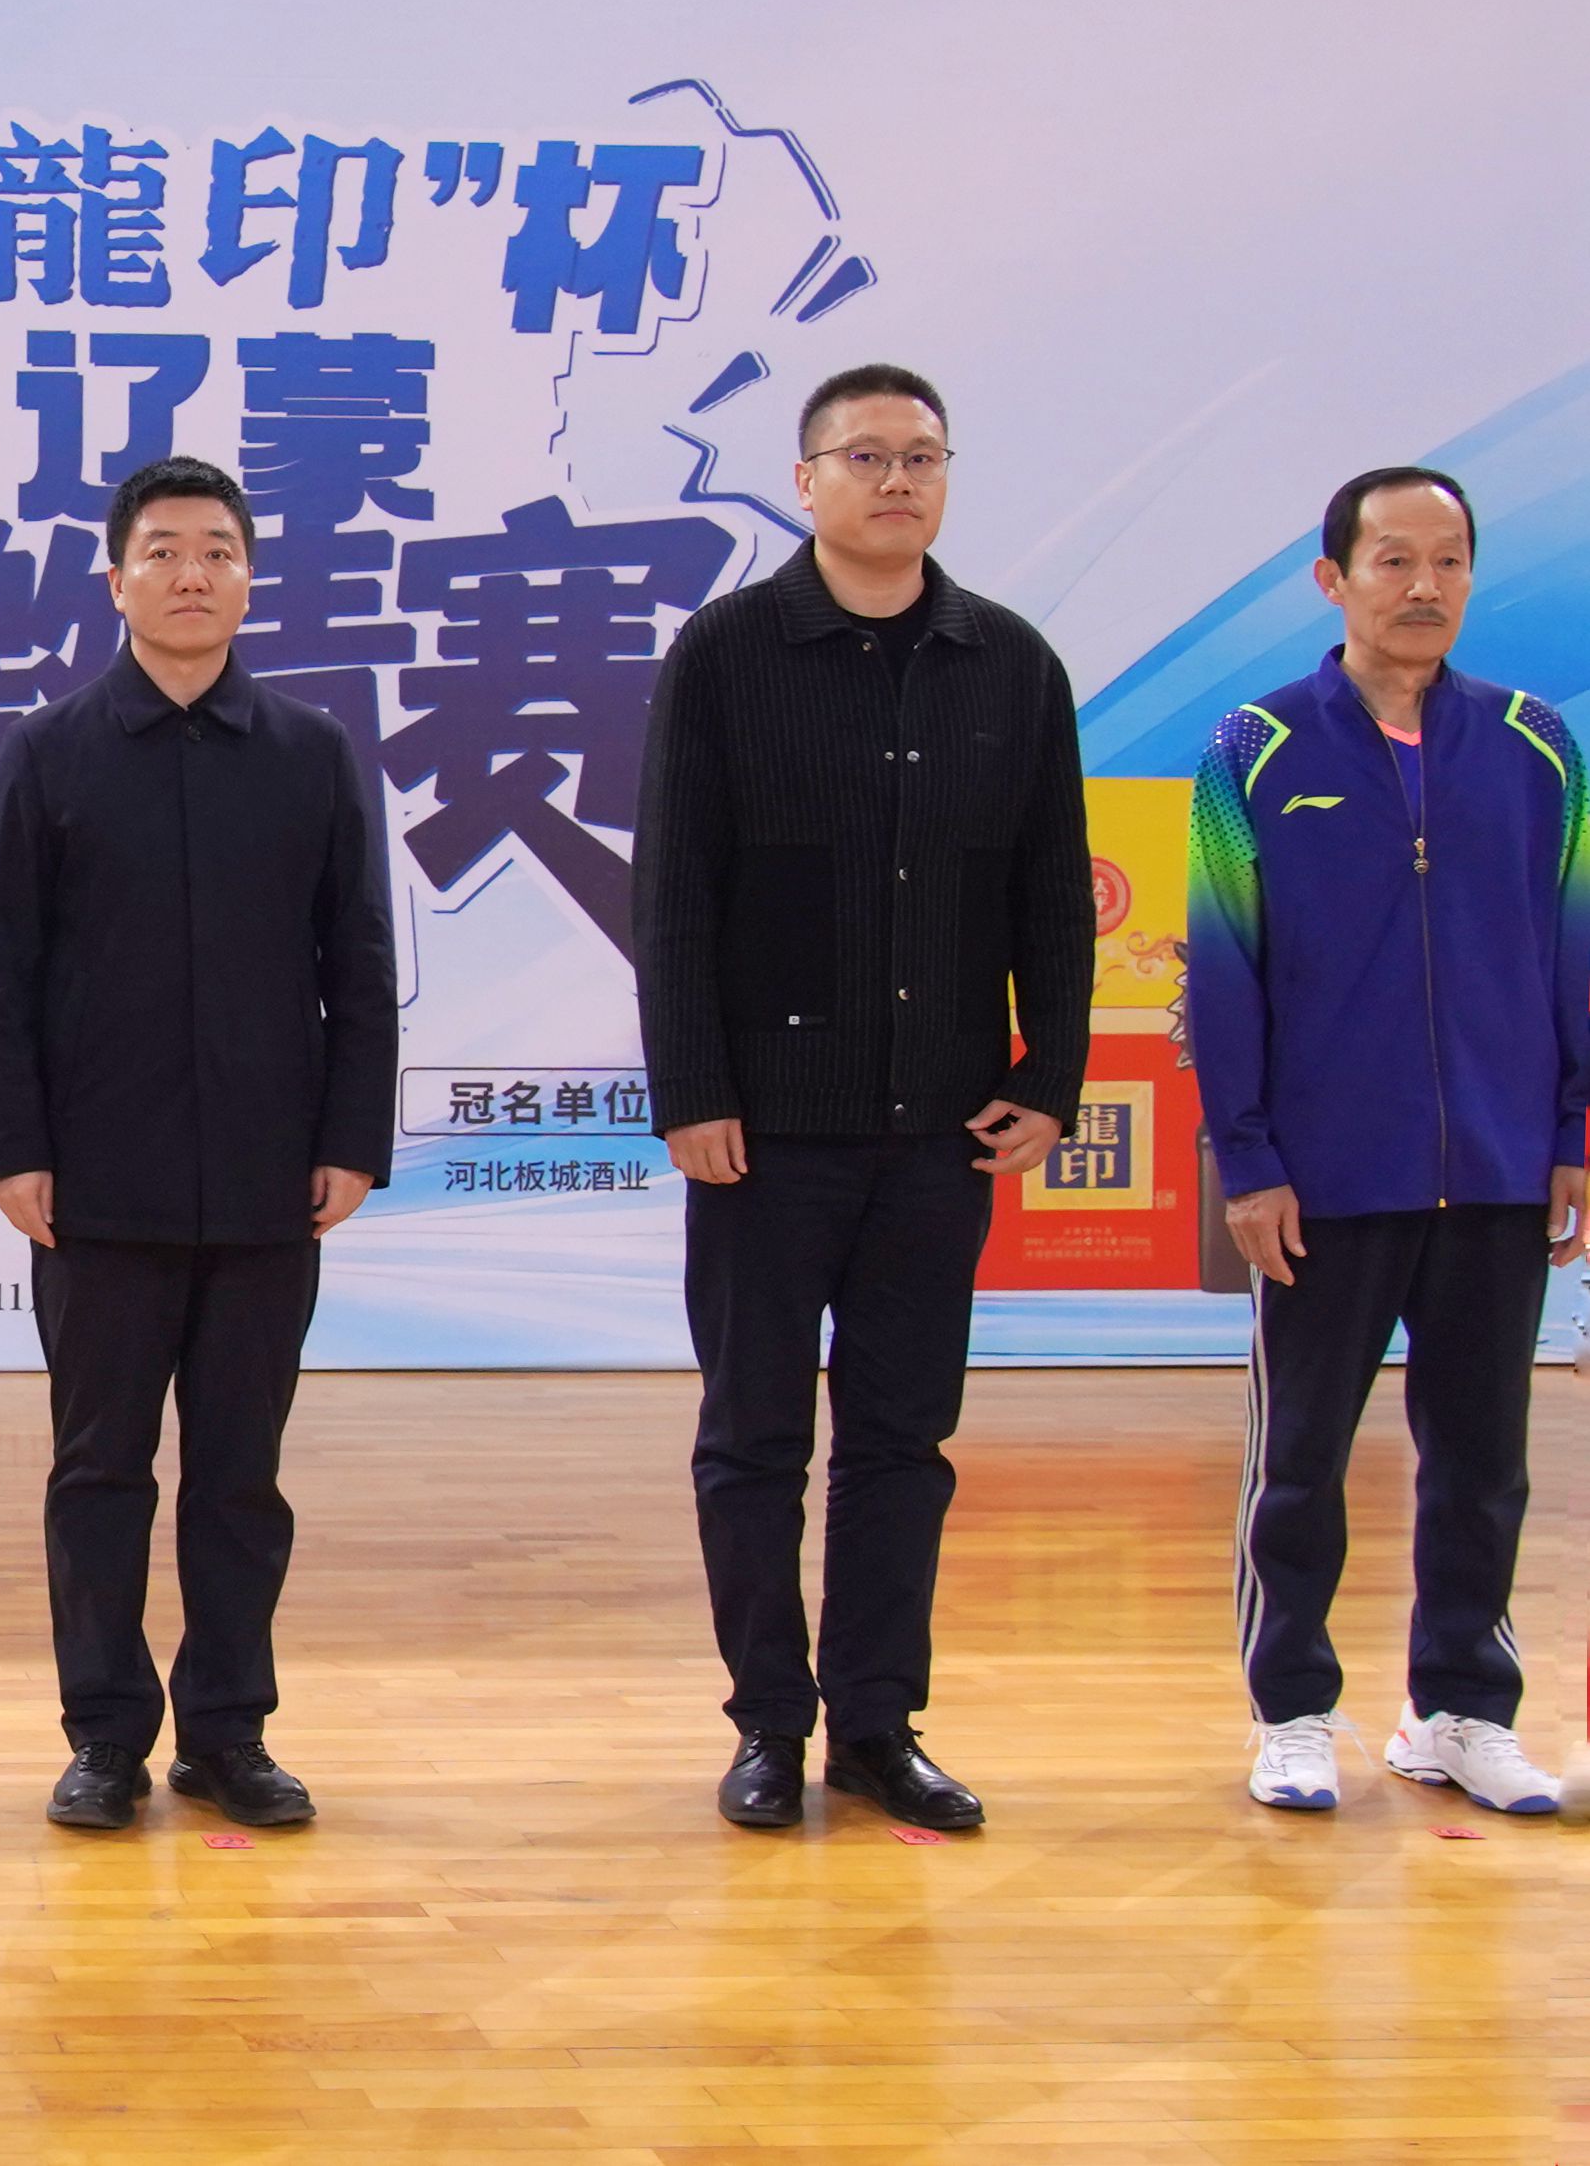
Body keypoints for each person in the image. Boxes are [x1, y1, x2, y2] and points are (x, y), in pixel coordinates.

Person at [635, 363, 1092, 1834]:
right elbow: (673, 891)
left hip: (939, 1134)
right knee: (754, 1441)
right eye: (866, 456)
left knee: (902, 1444)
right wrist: (692, 1088)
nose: (897, 481)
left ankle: (880, 1727)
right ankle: (769, 1723)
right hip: (764, 1135)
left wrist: (1050, 1076)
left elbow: (1051, 897)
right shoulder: (727, 652)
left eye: (922, 457)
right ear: (805, 479)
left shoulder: (1009, 663)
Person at [0, 455, 396, 1834]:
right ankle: (103, 1737)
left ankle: (227, 1731)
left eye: (216, 550)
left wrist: (352, 1137)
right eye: (161, 551)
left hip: (271, 1180)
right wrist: (13, 1148)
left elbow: (359, 962)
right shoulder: (49, 752)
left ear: (250, 578)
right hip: (97, 1183)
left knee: (239, 1477)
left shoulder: (312, 754)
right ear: (115, 580)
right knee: (98, 1472)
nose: (190, 574)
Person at [1191, 466, 1576, 1817]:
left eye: (1449, 560)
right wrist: (1248, 1158)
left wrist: (1569, 1129)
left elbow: (1571, 947)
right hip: (1326, 1177)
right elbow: (1223, 973)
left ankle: (1458, 1710)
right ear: (1333, 579)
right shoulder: (1256, 747)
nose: (1424, 586)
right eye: (1393, 559)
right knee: (1299, 1462)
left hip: (1496, 1168)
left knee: (1481, 1465)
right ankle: (1292, 1710)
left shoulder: (1536, 744)